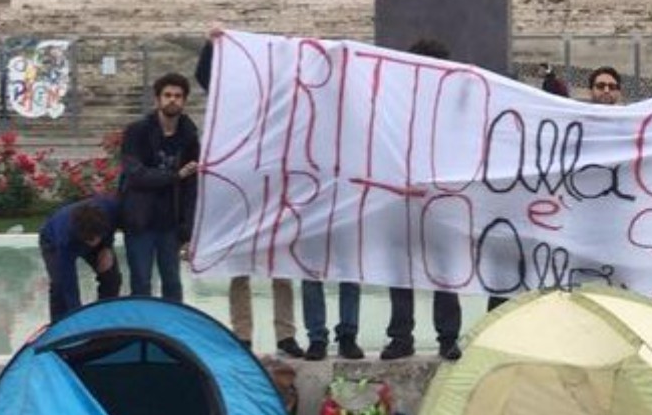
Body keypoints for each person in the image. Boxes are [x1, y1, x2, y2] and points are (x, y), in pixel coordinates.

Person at [195, 30, 362, 358]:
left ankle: (285, 334)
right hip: (245, 189)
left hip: (282, 190)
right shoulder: (239, 99)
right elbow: (206, 77)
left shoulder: (294, 99)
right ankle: (242, 333)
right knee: (239, 265)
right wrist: (211, 44)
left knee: (283, 264)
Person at [380, 37, 464, 360]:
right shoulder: (394, 104)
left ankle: (447, 337)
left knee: (444, 270)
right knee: (399, 270)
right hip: (400, 199)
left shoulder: (456, 107)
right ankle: (401, 336)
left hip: (440, 201)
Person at [118, 72, 200, 302]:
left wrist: (188, 229)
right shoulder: (136, 132)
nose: (172, 99)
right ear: (157, 99)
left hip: (170, 224)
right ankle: (141, 329)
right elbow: (136, 175)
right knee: (141, 282)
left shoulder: (189, 136)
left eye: (178, 95)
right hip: (140, 220)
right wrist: (175, 175)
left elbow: (191, 187)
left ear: (184, 101)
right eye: (167, 95)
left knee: (172, 283)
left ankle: (172, 332)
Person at [38, 195, 123, 321]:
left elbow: (111, 228)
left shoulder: (110, 208)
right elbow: (69, 283)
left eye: (95, 238)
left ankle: (105, 317)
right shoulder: (64, 239)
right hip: (51, 242)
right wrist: (77, 315)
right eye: (89, 240)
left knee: (112, 278)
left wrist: (106, 248)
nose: (93, 243)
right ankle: (59, 325)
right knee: (60, 286)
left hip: (99, 239)